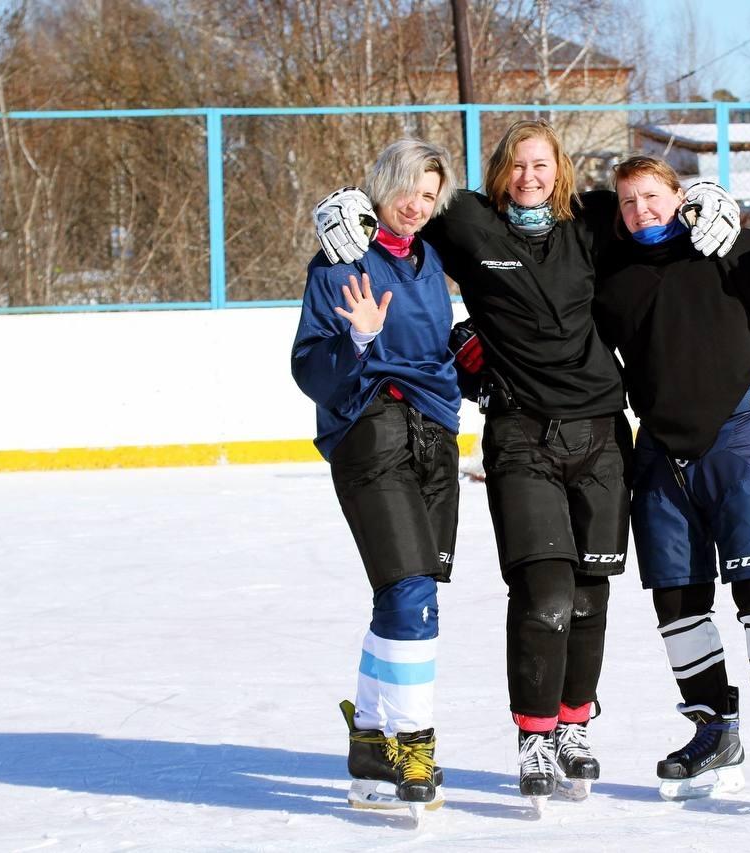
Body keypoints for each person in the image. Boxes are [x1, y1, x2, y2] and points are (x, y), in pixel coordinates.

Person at [312, 121, 742, 804]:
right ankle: (534, 734)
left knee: (590, 597)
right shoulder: (468, 221)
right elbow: (403, 197)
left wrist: (709, 201)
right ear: (499, 170)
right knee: (544, 596)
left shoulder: (594, 219)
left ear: (560, 169)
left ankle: (575, 725)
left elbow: (652, 209)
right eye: (517, 165)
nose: (529, 176)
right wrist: (342, 202)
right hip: (519, 431)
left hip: (602, 430)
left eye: (540, 164)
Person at [590, 155, 750, 805]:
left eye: (653, 196)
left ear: (680, 196)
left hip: (743, 441)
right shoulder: (612, 269)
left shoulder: (730, 244)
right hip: (660, 452)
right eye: (628, 202)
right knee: (677, 604)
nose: (640, 210)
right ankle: (715, 729)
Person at [292, 138, 460, 815]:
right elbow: (311, 369)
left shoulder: (430, 261)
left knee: (404, 599)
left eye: (429, 194)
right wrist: (357, 339)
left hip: (434, 440)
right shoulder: (341, 262)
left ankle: (369, 741)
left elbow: (436, 351)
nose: (416, 204)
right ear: (381, 185)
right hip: (373, 436)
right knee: (412, 594)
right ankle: (412, 747)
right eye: (408, 188)